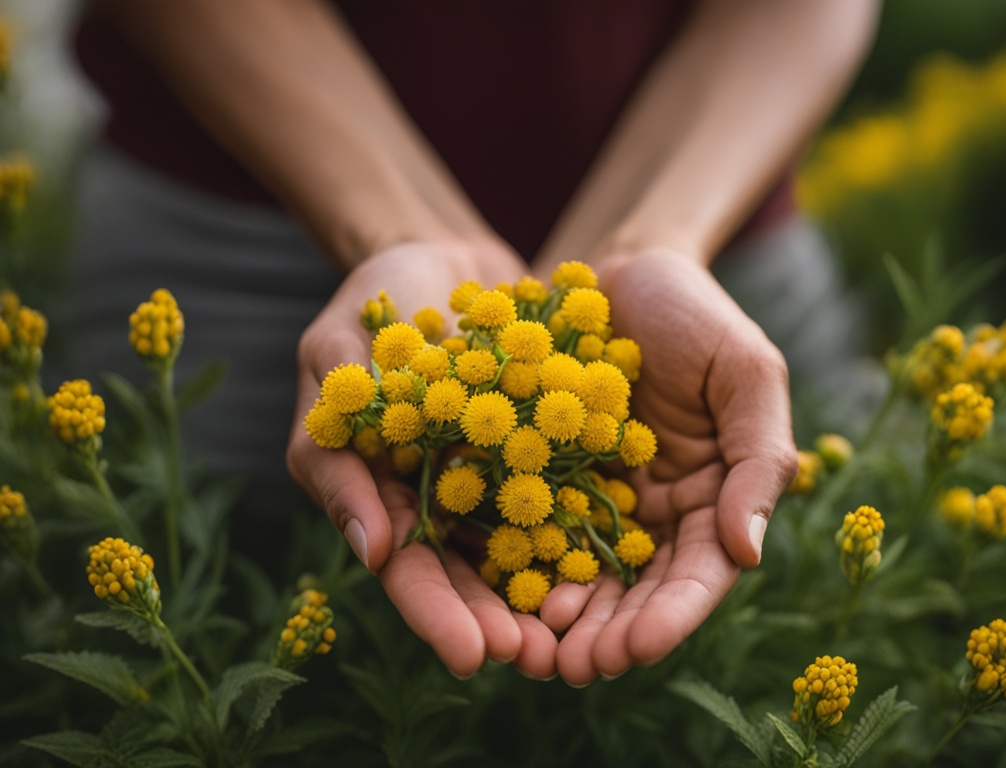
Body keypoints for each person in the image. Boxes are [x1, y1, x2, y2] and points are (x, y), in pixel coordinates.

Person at [66, 0, 880, 685]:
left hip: (718, 200)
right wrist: (402, 229)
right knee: (182, 647)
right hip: (235, 218)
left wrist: (653, 243)